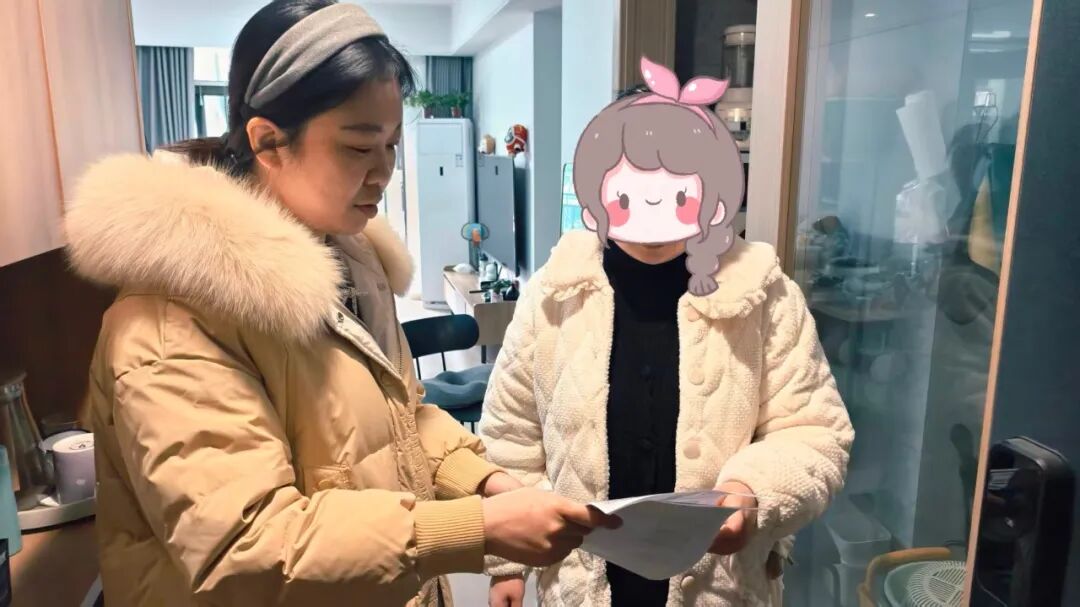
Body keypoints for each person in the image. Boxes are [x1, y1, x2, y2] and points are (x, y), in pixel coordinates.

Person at [65, 2, 614, 605]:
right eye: (358, 148)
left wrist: (485, 482)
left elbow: (401, 418)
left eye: (392, 145)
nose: (384, 172)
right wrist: (475, 529)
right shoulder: (173, 316)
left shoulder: (351, 257)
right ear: (268, 141)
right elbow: (245, 545)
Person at [482, 59, 854, 606]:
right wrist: (506, 565)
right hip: (581, 586)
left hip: (722, 587)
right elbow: (510, 436)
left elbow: (815, 432)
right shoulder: (553, 293)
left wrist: (749, 494)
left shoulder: (763, 294)